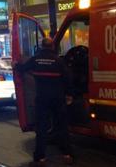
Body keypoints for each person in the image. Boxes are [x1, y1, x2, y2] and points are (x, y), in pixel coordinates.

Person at [15, 37, 73, 166]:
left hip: (42, 99)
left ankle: (40, 158)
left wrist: (15, 65)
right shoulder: (59, 61)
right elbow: (68, 78)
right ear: (52, 47)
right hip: (58, 99)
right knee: (62, 126)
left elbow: (22, 68)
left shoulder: (35, 59)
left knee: (41, 128)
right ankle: (67, 154)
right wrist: (69, 94)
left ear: (41, 46)